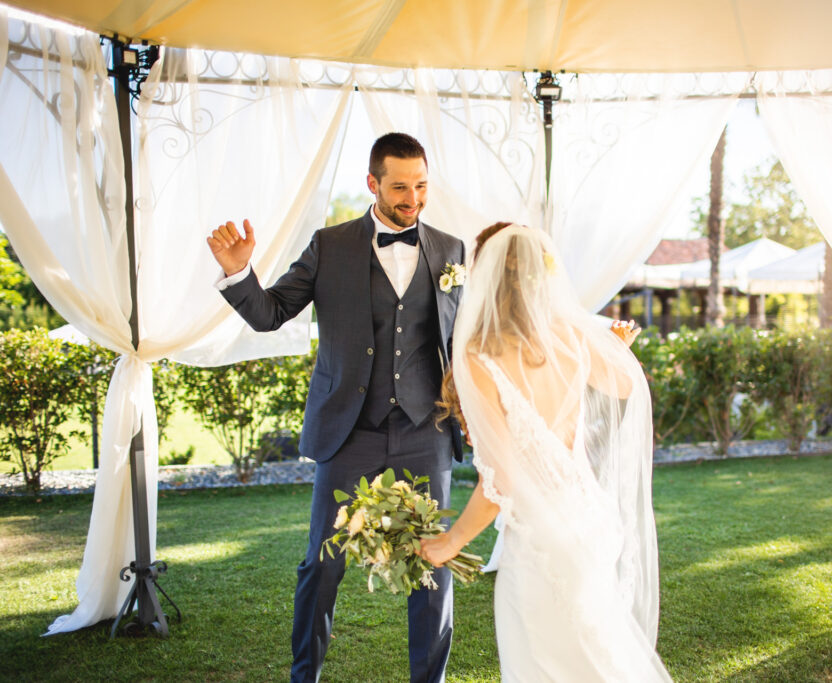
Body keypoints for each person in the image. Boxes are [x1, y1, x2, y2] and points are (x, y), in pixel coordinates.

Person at [206, 133, 465, 683]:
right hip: (350, 431)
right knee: (322, 563)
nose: (412, 197)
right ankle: (306, 676)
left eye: (421, 185)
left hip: (426, 428)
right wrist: (238, 273)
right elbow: (270, 313)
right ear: (372, 184)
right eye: (399, 186)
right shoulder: (331, 244)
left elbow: (473, 334)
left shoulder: (450, 250)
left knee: (433, 561)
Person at [420, 223, 671, 681]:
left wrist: (450, 541)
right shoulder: (570, 336)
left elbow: (503, 478)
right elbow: (620, 384)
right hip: (587, 519)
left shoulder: (479, 356)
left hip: (538, 541)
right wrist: (614, 351)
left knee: (541, 664)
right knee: (596, 653)